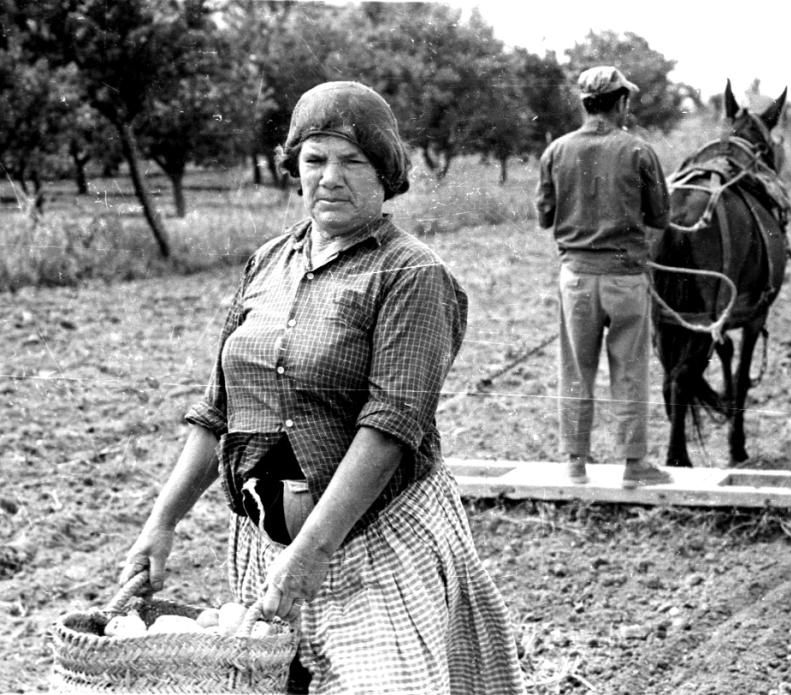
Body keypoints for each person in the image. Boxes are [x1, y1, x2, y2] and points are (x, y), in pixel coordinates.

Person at [119, 81, 525, 694]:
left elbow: (390, 429)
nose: (330, 177)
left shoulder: (412, 274)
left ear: (385, 172)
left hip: (372, 545)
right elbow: (217, 409)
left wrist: (311, 553)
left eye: (352, 160)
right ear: (295, 169)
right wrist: (162, 523)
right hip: (266, 548)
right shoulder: (268, 262)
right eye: (314, 160)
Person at [536, 65, 673, 489]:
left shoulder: (556, 152)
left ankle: (575, 464)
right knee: (630, 369)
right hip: (626, 278)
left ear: (586, 104)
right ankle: (634, 466)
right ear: (621, 103)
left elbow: (544, 215)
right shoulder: (639, 151)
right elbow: (661, 216)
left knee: (576, 369)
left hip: (576, 277)